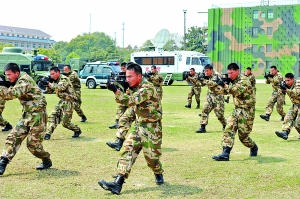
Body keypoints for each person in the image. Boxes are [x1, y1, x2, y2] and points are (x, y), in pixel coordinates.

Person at [98, 62, 164, 195]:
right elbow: (128, 100)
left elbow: (131, 101)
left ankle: (158, 172)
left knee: (152, 159)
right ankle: (118, 183)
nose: (127, 79)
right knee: (127, 150)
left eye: (130, 76)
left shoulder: (147, 88)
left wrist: (115, 90)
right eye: (126, 77)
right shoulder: (134, 86)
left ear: (139, 76)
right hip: (139, 125)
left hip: (151, 128)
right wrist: (121, 87)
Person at [0, 63, 52, 175]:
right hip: (27, 115)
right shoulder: (18, 80)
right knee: (13, 137)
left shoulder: (24, 80)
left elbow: (11, 94)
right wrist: (5, 83)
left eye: (9, 75)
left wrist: (1, 86)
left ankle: (46, 159)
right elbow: (12, 86)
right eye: (6, 75)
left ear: (17, 73)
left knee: (32, 145)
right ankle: (3, 162)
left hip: (38, 116)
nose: (8, 77)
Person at [212, 63, 258, 161]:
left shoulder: (244, 80)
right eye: (228, 73)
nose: (230, 75)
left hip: (247, 110)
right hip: (237, 109)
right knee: (229, 127)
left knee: (243, 137)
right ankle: (225, 153)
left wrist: (224, 84)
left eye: (232, 73)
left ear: (237, 71)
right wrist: (217, 84)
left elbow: (236, 91)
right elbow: (225, 92)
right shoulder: (232, 80)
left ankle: (253, 146)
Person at [43, 66, 82, 140]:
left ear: (58, 72)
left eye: (53, 74)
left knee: (65, 123)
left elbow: (60, 88)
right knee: (52, 116)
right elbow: (49, 91)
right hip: (62, 101)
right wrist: (47, 84)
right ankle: (48, 134)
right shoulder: (55, 80)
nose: (52, 75)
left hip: (69, 101)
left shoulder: (64, 78)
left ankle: (77, 130)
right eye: (50, 74)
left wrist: (49, 83)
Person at [195, 64, 226, 133]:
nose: (206, 72)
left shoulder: (216, 75)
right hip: (210, 95)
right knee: (205, 110)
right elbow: (202, 84)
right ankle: (202, 127)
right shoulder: (207, 76)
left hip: (218, 96)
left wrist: (203, 80)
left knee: (219, 114)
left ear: (211, 70)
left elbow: (212, 83)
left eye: (207, 71)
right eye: (205, 71)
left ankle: (225, 124)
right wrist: (199, 79)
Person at [275, 73, 300, 140]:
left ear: (292, 79)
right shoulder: (286, 84)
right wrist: (281, 88)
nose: (287, 82)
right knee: (288, 117)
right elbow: (281, 94)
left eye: (288, 80)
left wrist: (286, 89)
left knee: (297, 124)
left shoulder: (298, 84)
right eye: (285, 80)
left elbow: (296, 94)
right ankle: (285, 133)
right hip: (296, 104)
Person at [109, 62, 127, 129]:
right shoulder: (120, 75)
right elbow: (116, 82)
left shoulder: (130, 75)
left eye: (123, 68)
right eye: (121, 68)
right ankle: (117, 122)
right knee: (120, 108)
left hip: (131, 96)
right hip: (123, 95)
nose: (122, 70)